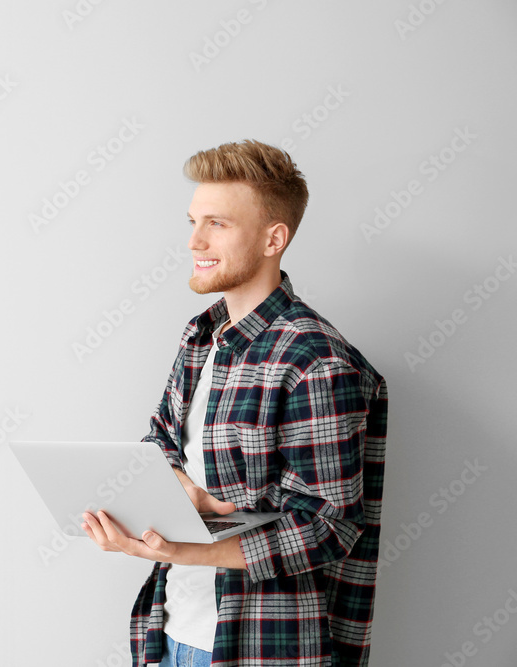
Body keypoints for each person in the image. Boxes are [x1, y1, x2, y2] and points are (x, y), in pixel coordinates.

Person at [81, 140, 388, 667]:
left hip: (259, 647)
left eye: (217, 224)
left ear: (274, 238)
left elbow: (327, 526)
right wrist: (181, 494)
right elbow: (160, 442)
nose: (194, 240)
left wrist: (183, 547)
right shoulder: (201, 337)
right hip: (169, 629)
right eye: (193, 221)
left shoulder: (317, 362)